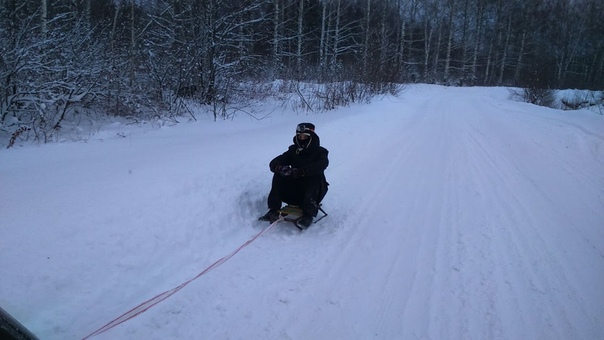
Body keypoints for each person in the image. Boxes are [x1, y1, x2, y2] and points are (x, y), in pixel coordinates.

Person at [259, 122, 329, 229]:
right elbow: (276, 161)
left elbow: (322, 164)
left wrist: (302, 172)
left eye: (305, 136)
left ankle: (308, 215)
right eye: (299, 136)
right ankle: (273, 210)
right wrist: (280, 168)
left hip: (313, 193)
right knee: (278, 175)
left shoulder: (320, 152)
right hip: (295, 192)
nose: (302, 138)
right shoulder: (293, 150)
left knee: (315, 176)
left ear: (311, 137)